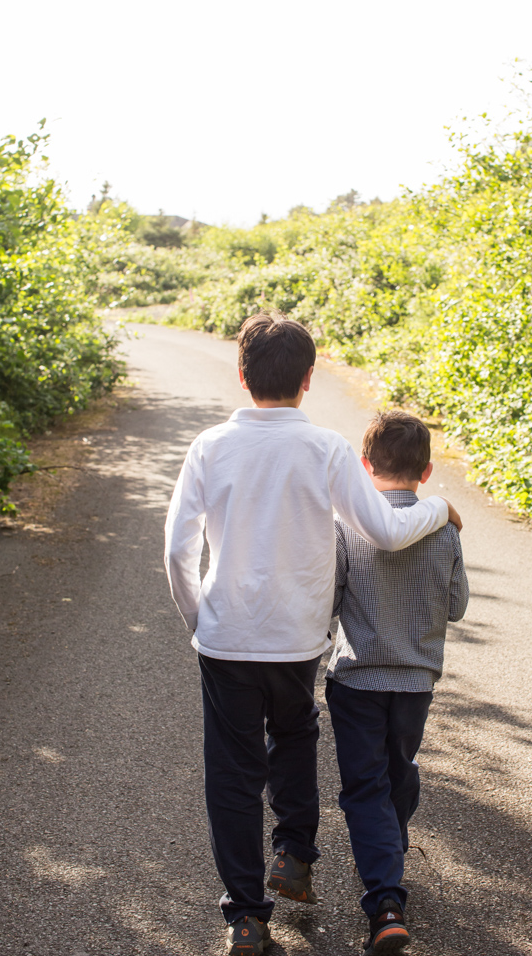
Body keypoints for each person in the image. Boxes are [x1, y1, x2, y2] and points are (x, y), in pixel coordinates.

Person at [164, 312, 463, 956]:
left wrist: (199, 619)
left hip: (226, 637)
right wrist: (440, 508)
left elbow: (177, 549)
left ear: (241, 375)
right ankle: (294, 851)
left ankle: (248, 917)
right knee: (295, 734)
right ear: (308, 379)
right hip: (297, 639)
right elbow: (386, 531)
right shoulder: (326, 447)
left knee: (232, 773)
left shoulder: (209, 446)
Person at [325, 410, 469, 955]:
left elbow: (329, 600)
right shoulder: (445, 530)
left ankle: (386, 903)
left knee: (366, 787)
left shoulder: (347, 527)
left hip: (357, 679)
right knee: (398, 768)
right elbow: (456, 606)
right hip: (415, 683)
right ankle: (392, 843)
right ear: (426, 471)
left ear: (365, 466)